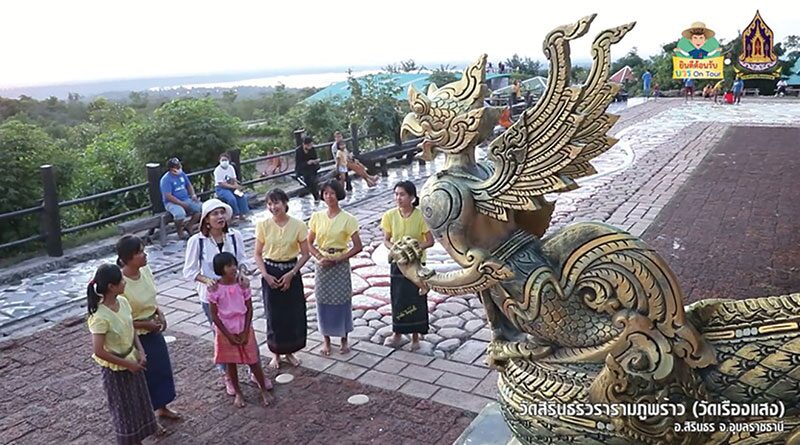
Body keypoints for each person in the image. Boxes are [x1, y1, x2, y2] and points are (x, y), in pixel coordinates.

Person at [182, 198, 260, 395]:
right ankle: (228, 375)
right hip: (214, 296)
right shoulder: (196, 242)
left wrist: (242, 273)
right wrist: (206, 280)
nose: (219, 217)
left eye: (222, 213)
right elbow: (190, 271)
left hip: (236, 294)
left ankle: (254, 369)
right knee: (222, 335)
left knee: (246, 331)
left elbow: (242, 261)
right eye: (214, 214)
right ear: (206, 219)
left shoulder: (234, 236)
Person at [87, 263, 159, 445]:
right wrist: (128, 365)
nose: (124, 283)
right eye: (121, 281)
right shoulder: (100, 317)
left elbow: (131, 328)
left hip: (132, 360)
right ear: (111, 287)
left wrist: (140, 351)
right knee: (125, 410)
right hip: (117, 371)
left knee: (139, 404)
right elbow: (99, 351)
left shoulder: (124, 302)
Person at [117, 235, 180, 422]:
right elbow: (121, 319)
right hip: (134, 335)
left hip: (153, 329)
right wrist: (144, 324)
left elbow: (151, 298)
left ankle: (162, 406)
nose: (144, 256)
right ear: (127, 258)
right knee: (145, 378)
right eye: (139, 253)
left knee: (161, 369)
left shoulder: (145, 271)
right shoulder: (121, 283)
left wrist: (159, 313)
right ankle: (147, 418)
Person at [254, 188, 311, 369]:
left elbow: (305, 254)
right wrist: (265, 275)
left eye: (276, 203)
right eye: (269, 204)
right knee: (274, 314)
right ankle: (276, 353)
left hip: (290, 271)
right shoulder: (263, 225)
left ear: (285, 203)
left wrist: (292, 273)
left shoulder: (298, 225)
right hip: (270, 271)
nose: (273, 207)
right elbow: (257, 254)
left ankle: (290, 351)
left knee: (292, 314)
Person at [208, 252, 271, 407]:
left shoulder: (242, 285)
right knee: (231, 363)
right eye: (229, 266)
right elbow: (215, 316)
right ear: (220, 269)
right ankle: (238, 392)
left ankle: (263, 389)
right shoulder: (215, 289)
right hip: (225, 331)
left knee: (254, 361)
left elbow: (249, 309)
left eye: (234, 264)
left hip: (244, 326)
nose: (234, 268)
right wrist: (228, 336)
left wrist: (245, 330)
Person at [307, 180, 363, 355]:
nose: (328, 197)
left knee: (342, 301)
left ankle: (344, 339)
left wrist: (340, 258)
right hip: (322, 262)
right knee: (322, 300)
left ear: (338, 194)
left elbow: (357, 246)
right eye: (325, 193)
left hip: (340, 262)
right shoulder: (317, 217)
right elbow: (308, 243)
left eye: (331, 193)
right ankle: (326, 340)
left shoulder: (348, 219)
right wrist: (318, 256)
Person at [381, 181, 434, 350]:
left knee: (416, 297)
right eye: (396, 194)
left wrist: (412, 249)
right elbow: (386, 240)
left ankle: (415, 337)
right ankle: (397, 332)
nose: (398, 198)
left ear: (412, 197)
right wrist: (397, 250)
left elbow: (429, 241)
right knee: (398, 298)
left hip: (416, 264)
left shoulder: (421, 216)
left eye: (402, 194)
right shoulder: (389, 215)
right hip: (398, 264)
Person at [160, 158, 202, 240]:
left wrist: (193, 195)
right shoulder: (165, 180)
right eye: (177, 166)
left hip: (186, 198)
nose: (179, 167)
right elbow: (168, 196)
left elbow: (189, 185)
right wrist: (181, 203)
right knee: (180, 214)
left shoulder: (182, 174)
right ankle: (180, 232)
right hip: (171, 202)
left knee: (200, 208)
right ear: (172, 169)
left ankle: (190, 226)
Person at [213, 153, 250, 221]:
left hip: (232, 187)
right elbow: (221, 183)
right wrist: (233, 187)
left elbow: (234, 179)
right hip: (221, 189)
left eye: (226, 160)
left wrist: (236, 186)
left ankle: (243, 214)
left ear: (229, 160)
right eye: (222, 160)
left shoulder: (231, 167)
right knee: (231, 199)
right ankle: (234, 215)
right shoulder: (217, 170)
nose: (224, 161)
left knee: (241, 195)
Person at [295, 136, 321, 202]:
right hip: (303, 169)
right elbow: (298, 163)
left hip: (312, 168)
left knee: (312, 181)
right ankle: (316, 195)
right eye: (309, 145)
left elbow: (315, 157)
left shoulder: (312, 149)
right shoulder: (299, 151)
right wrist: (307, 163)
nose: (311, 146)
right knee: (310, 180)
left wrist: (315, 161)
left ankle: (314, 195)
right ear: (304, 144)